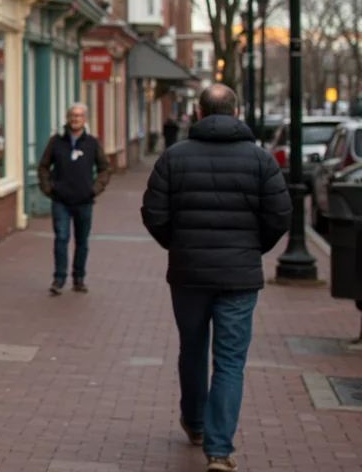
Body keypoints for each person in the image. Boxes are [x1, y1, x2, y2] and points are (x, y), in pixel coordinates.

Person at [141, 84, 290, 472]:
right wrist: (253, 249)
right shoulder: (260, 161)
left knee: (192, 347)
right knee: (229, 361)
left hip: (188, 273)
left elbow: (153, 213)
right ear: (236, 112)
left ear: (200, 113)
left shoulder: (173, 158)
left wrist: (178, 244)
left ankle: (195, 424)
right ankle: (220, 450)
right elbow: (280, 217)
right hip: (239, 278)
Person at [37, 103, 112, 295]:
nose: (75, 119)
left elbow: (105, 168)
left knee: (82, 241)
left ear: (85, 120)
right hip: (61, 200)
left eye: (79, 116)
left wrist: (94, 189)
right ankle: (59, 279)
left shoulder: (92, 143)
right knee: (61, 239)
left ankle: (79, 278)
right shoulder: (56, 142)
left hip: (84, 200)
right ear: (67, 118)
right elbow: (44, 166)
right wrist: (48, 188)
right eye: (72, 116)